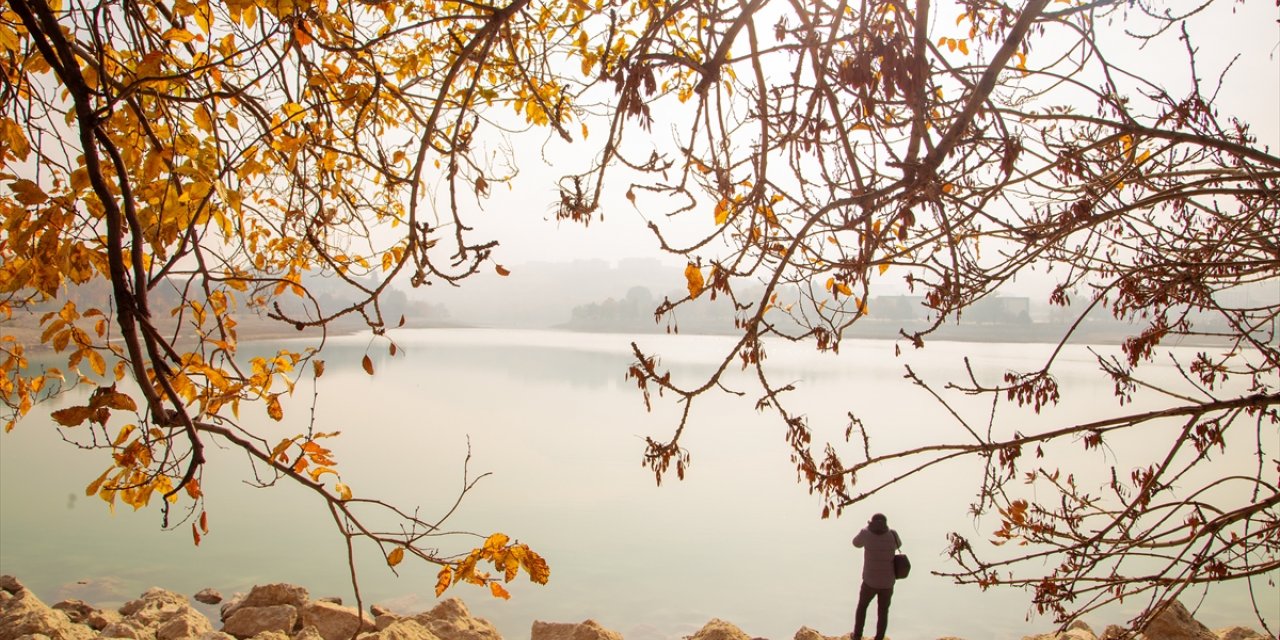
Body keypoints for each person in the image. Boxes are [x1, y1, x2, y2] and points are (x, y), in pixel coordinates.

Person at [851, 513, 901, 640]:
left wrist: (866, 530)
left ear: (871, 522)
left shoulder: (866, 533)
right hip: (887, 582)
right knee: (883, 611)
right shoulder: (892, 534)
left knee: (862, 607)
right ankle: (879, 637)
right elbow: (898, 545)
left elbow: (856, 543)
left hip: (869, 581)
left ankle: (857, 636)